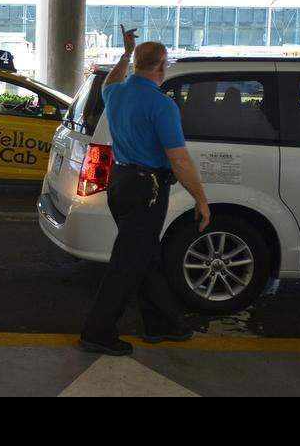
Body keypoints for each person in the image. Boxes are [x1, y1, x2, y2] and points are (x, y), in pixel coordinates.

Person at [79, 24, 212, 357]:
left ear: (136, 64)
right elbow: (179, 162)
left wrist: (125, 53)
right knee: (127, 263)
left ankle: (162, 324)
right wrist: (201, 200)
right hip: (147, 191)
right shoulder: (162, 106)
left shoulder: (117, 93)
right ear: (163, 66)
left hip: (120, 185)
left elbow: (110, 81)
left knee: (145, 257)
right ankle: (96, 332)